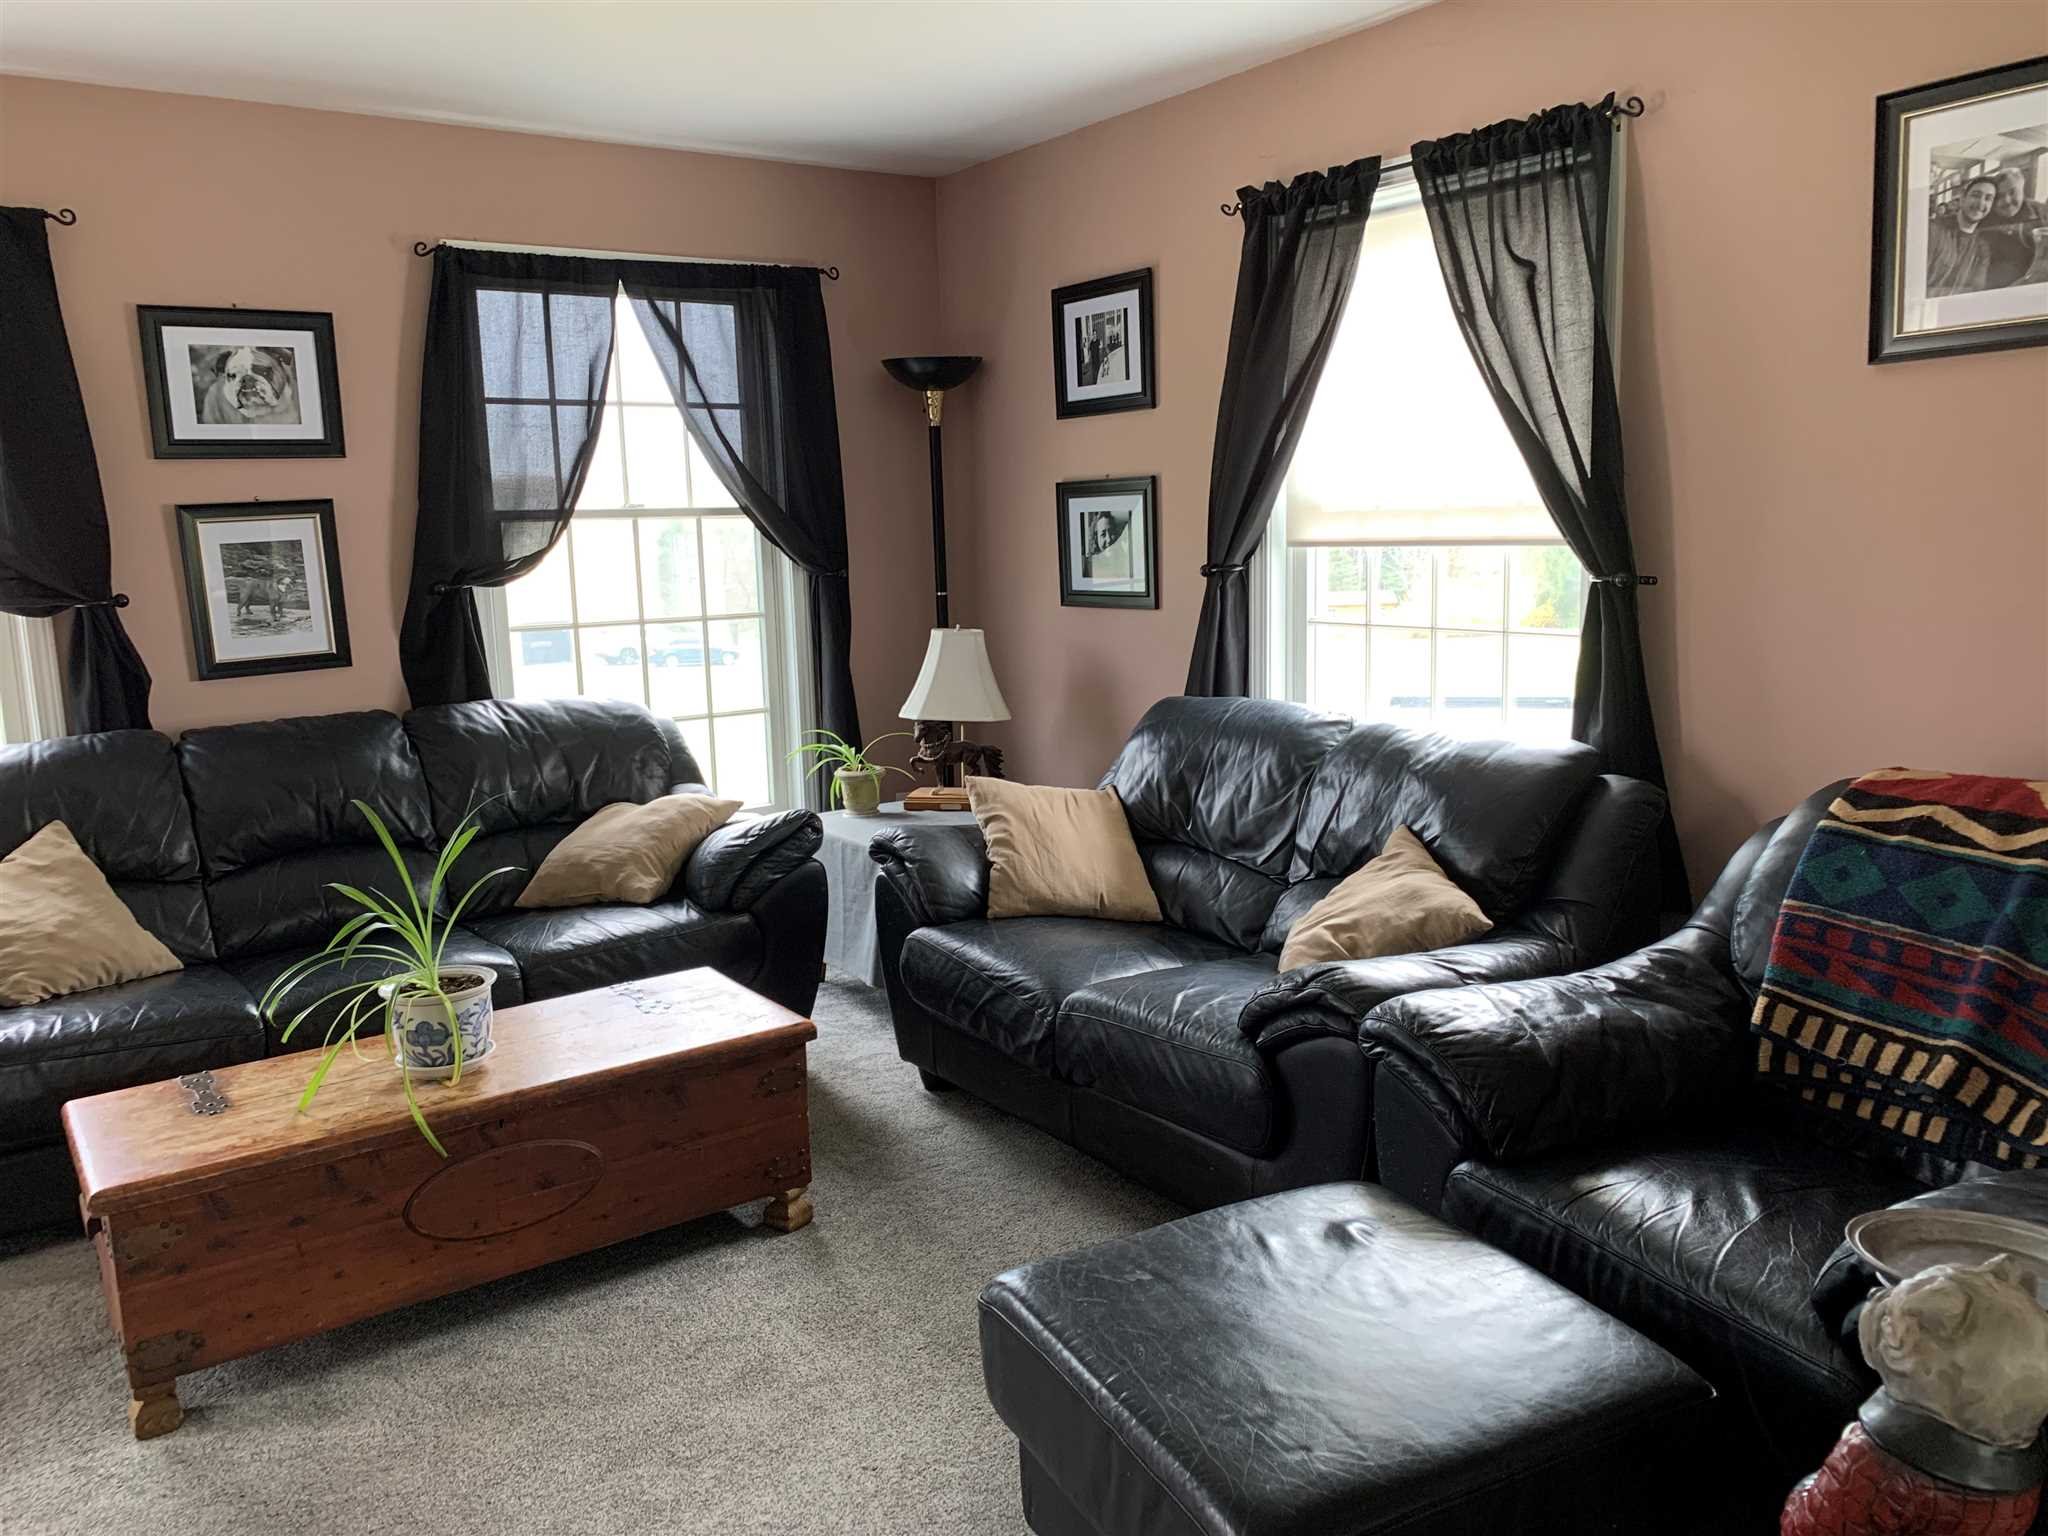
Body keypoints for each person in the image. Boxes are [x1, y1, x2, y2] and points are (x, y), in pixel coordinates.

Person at [1926, 175, 1999, 297]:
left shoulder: (1982, 248)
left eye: (1988, 198)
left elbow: (1976, 291)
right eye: (1976, 195)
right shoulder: (1933, 229)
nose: (1981, 203)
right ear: (1963, 198)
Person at [1982, 166, 2048, 289]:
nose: (2007, 200)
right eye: (1999, 196)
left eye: (2012, 192)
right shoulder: (1984, 217)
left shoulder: (2042, 213)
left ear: (2022, 188)